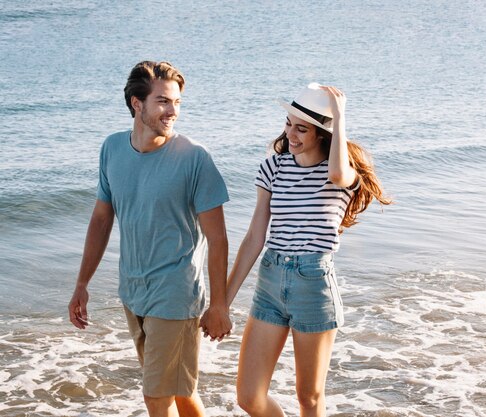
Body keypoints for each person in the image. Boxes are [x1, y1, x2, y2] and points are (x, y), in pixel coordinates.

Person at [68, 61, 232, 417]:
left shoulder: (194, 159)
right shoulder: (112, 149)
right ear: (136, 103)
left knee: (156, 398)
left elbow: (217, 239)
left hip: (175, 295)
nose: (173, 111)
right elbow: (100, 218)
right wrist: (82, 282)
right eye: (162, 102)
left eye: (177, 102)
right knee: (179, 393)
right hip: (133, 292)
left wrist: (219, 305)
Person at [226, 83, 391, 416]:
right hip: (270, 282)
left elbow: (336, 170)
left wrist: (340, 116)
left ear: (323, 134)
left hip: (313, 284)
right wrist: (222, 302)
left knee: (309, 398)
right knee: (248, 396)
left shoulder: (343, 175)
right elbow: (254, 237)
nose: (291, 135)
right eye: (288, 123)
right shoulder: (273, 167)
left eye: (301, 128)